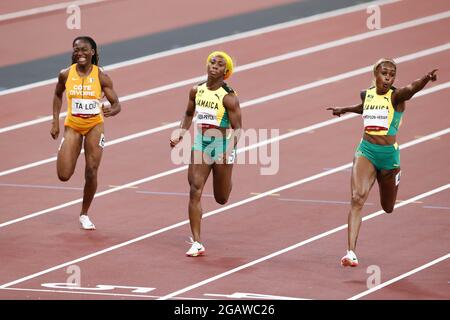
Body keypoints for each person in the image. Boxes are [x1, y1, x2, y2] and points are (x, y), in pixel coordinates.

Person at [327, 58, 438, 267]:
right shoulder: (366, 94)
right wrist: (344, 109)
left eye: (391, 75)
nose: (388, 78)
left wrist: (426, 79)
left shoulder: (396, 97)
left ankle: (394, 177)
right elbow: (364, 107)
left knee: (387, 207)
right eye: (384, 73)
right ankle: (350, 252)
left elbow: (411, 88)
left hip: (388, 157)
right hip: (366, 151)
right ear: (375, 74)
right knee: (357, 198)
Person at [170, 51, 242, 256]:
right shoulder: (196, 90)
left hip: (221, 146)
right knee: (195, 188)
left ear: (225, 72)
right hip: (201, 144)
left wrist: (228, 150)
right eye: (212, 62)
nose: (214, 66)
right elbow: (188, 113)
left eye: (220, 65)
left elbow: (238, 129)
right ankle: (197, 241)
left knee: (221, 198)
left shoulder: (229, 97)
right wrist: (181, 133)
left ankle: (227, 178)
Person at [50, 36, 121, 230]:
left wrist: (112, 110)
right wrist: (55, 121)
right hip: (72, 126)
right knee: (63, 175)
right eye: (76, 50)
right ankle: (65, 147)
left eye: (84, 50)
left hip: (94, 127)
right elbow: (57, 94)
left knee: (91, 170)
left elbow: (117, 104)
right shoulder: (65, 74)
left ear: (93, 53)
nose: (79, 53)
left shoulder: (101, 76)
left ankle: (84, 213)